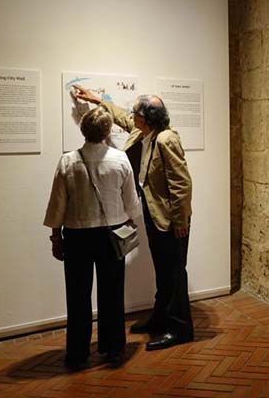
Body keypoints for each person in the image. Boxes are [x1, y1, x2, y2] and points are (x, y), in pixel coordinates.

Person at [72, 84, 194, 351]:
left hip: (171, 220)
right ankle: (161, 317)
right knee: (163, 271)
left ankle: (180, 328)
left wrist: (181, 221)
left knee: (174, 273)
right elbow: (123, 117)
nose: (132, 116)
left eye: (136, 113)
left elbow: (181, 184)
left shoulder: (165, 139)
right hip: (155, 215)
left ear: (147, 118)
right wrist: (96, 101)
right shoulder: (145, 131)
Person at [44, 107, 142, 368]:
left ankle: (77, 353)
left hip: (76, 236)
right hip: (111, 234)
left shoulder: (68, 161)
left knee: (77, 296)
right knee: (112, 293)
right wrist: (131, 219)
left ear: (83, 130)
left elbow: (57, 204)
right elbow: (131, 202)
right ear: (108, 131)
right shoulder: (120, 160)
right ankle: (113, 348)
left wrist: (56, 236)